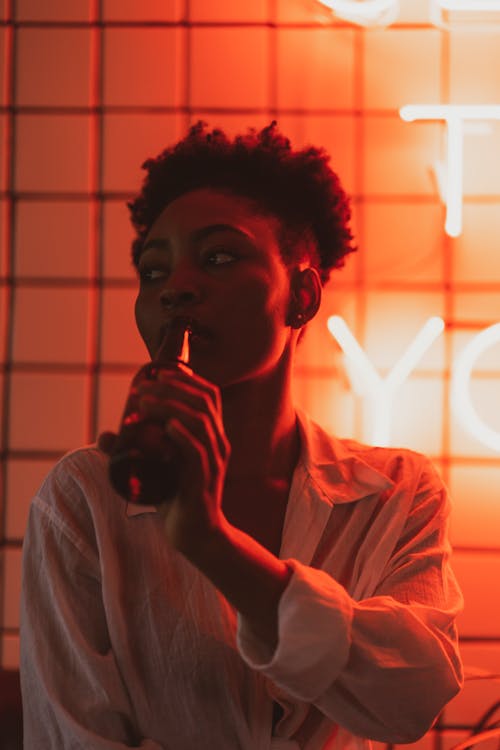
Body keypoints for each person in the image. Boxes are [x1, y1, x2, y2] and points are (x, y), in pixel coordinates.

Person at [20, 122, 463, 750]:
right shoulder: (87, 497)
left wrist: (213, 545)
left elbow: (410, 699)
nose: (176, 287)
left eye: (220, 257)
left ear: (302, 295)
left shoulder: (394, 492)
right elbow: (70, 736)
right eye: (152, 272)